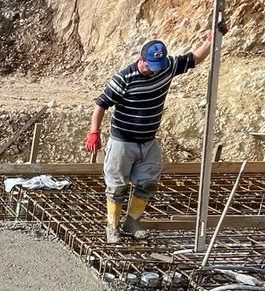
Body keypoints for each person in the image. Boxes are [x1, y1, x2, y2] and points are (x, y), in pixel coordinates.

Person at [85, 17, 227, 244]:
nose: (154, 72)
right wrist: (94, 131)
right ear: (142, 60)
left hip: (148, 141)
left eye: (157, 69)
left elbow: (194, 59)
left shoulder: (166, 68)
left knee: (148, 183)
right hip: (123, 141)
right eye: (151, 68)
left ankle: (132, 222)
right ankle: (112, 228)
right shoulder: (124, 78)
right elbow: (101, 104)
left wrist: (211, 39)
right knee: (117, 186)